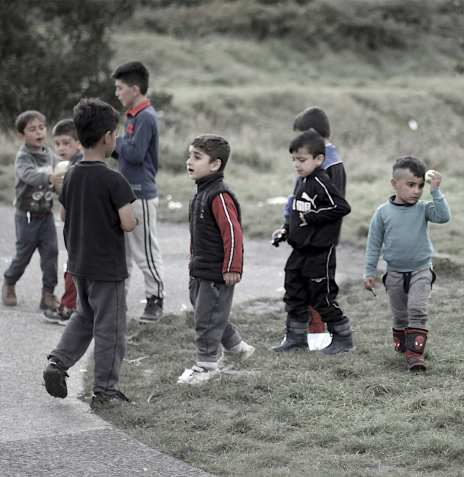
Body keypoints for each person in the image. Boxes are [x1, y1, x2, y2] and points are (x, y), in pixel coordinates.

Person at [42, 98, 137, 409]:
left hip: (79, 263)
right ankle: (106, 390)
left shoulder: (70, 175)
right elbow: (127, 224)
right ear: (108, 137)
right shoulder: (114, 180)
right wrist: (133, 218)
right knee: (111, 327)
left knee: (85, 315)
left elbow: (66, 216)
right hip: (108, 268)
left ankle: (58, 362)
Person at [177, 134, 255, 384]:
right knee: (207, 311)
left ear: (215, 164)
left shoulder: (219, 196)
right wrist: (193, 260)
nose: (189, 161)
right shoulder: (201, 191)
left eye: (197, 157)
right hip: (199, 268)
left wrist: (233, 267)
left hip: (217, 273)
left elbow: (233, 233)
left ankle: (207, 365)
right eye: (189, 155)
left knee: (206, 318)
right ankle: (237, 347)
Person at [363, 156, 451, 371]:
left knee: (417, 309)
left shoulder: (423, 208)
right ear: (394, 184)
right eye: (411, 185)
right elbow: (373, 245)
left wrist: (435, 191)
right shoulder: (382, 213)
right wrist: (369, 272)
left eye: (421, 185)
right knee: (400, 315)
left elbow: (443, 216)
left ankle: (415, 355)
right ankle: (404, 347)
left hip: (421, 270)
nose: (416, 190)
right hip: (393, 274)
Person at [271, 130, 353, 355]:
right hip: (299, 250)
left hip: (320, 251)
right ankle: (296, 338)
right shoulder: (302, 181)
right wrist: (286, 230)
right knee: (293, 291)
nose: (297, 165)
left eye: (302, 160)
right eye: (294, 160)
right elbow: (298, 212)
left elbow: (341, 207)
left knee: (321, 296)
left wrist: (314, 217)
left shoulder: (320, 180)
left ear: (319, 159)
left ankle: (343, 338)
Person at [284, 107, 345, 347]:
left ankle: (324, 334)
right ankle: (297, 337)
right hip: (302, 237)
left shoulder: (331, 166)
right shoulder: (307, 165)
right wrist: (288, 222)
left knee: (319, 286)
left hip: (319, 239)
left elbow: (335, 206)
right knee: (296, 284)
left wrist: (313, 225)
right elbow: (297, 196)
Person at [112, 60, 165, 322]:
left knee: (144, 251)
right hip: (125, 193)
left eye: (120, 88)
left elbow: (133, 154)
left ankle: (155, 299)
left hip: (141, 194)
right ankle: (118, 300)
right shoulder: (133, 114)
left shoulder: (146, 116)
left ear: (135, 88)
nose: (117, 93)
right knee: (122, 253)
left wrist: (115, 141)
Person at [1, 110, 59, 312]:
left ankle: (48, 294)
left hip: (47, 215)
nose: (38, 132)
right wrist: (50, 178)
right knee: (23, 256)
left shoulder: (50, 154)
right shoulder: (23, 157)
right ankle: (9, 281)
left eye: (41, 127)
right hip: (26, 216)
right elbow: (30, 176)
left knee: (51, 254)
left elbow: (57, 178)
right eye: (32, 129)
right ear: (21, 135)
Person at [43, 118, 83, 325]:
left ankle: (68, 308)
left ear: (79, 142)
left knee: (73, 268)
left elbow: (67, 204)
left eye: (66, 143)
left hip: (80, 227)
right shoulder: (67, 165)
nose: (61, 148)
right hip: (76, 227)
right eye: (57, 143)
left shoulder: (75, 167)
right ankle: (77, 307)